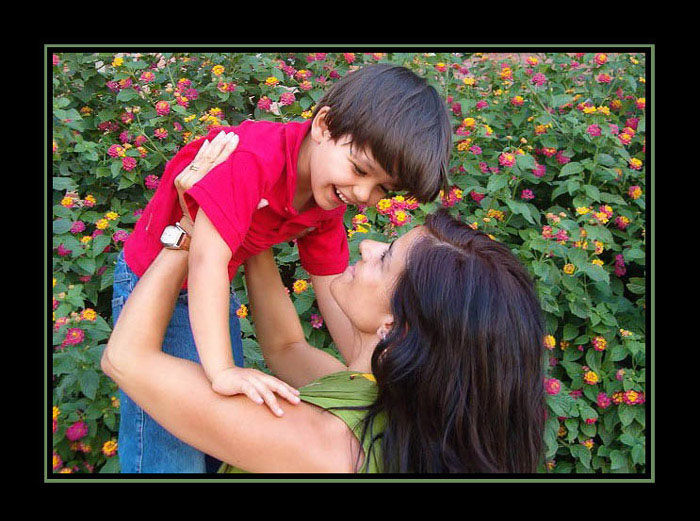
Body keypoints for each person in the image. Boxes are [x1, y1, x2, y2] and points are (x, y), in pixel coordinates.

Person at [102, 136, 546, 474]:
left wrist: (187, 226)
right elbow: (285, 348)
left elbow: (125, 359)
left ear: (396, 326)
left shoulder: (325, 446)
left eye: (386, 256)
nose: (368, 245)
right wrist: (246, 211)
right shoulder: (391, 403)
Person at [113, 62, 453, 473]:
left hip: (211, 285)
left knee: (215, 415)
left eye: (383, 188)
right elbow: (206, 256)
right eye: (360, 170)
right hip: (160, 279)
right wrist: (222, 370)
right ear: (324, 125)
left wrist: (366, 375)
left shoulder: (328, 195)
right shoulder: (254, 157)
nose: (364, 194)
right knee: (169, 441)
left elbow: (330, 284)